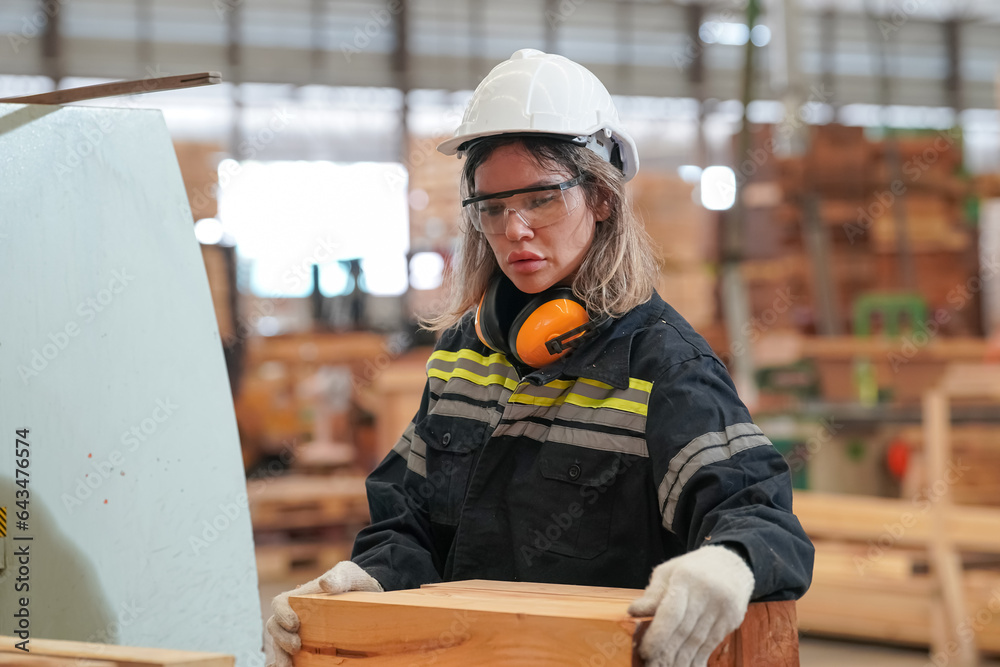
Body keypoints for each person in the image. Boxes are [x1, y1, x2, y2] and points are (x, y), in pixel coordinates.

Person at [265, 49, 814, 667]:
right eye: (493, 207)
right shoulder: (462, 359)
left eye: (541, 199)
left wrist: (729, 562)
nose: (515, 230)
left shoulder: (661, 366)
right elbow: (411, 526)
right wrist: (367, 581)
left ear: (602, 197)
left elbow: (761, 520)